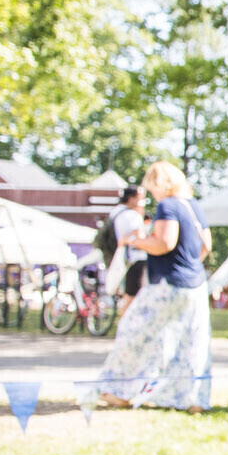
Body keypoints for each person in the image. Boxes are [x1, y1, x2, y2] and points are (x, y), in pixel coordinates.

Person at [80, 161, 213, 413]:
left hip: (167, 283)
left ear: (160, 184)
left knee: (133, 329)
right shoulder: (193, 206)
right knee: (190, 341)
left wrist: (135, 241)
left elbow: (164, 243)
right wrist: (189, 265)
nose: (151, 193)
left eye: (152, 187)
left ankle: (117, 390)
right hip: (195, 284)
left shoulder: (168, 206)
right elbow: (206, 245)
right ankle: (192, 398)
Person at [105, 185, 150, 315]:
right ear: (131, 198)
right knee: (133, 296)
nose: (142, 201)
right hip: (135, 258)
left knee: (129, 295)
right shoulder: (132, 215)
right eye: (140, 198)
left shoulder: (115, 212)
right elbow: (139, 236)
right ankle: (125, 324)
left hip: (122, 257)